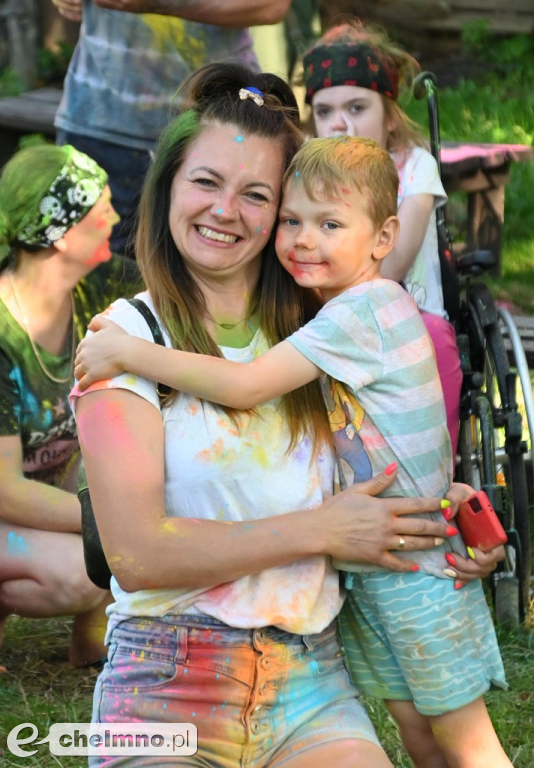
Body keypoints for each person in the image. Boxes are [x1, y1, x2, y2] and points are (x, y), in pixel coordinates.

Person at [71, 62, 503, 768]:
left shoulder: (323, 333)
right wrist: (323, 531)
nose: (224, 211)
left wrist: (433, 510)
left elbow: (376, 446)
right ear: (167, 188)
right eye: (205, 183)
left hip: (310, 680)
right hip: (165, 683)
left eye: (256, 195)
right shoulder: (126, 341)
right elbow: (137, 556)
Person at [0, 142, 141, 668]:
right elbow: (4, 491)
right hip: (5, 505)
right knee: (89, 567)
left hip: (40, 498)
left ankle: (96, 634)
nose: (116, 216)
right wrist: (112, 523)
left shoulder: (101, 284)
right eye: (100, 207)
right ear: (59, 233)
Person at [301, 20, 463, 458]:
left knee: (436, 337)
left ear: (389, 117)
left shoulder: (415, 168)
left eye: (357, 109)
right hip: (328, 315)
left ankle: (437, 470)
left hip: (408, 312)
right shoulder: (308, 179)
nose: (340, 124)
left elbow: (390, 265)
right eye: (325, 112)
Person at [52, 0, 290, 255]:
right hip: (98, 119)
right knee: (85, 274)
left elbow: (271, 6)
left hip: (217, 129)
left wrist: (156, 4)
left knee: (209, 268)